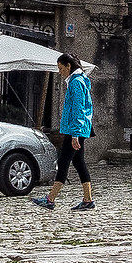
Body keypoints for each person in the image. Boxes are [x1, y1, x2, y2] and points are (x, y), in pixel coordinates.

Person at [38, 52, 95, 212]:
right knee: (79, 163)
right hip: (80, 129)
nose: (59, 71)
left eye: (61, 68)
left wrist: (75, 134)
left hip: (75, 130)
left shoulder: (76, 83)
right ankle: (88, 200)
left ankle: (50, 199)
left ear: (69, 66)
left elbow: (78, 108)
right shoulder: (81, 80)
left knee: (63, 163)